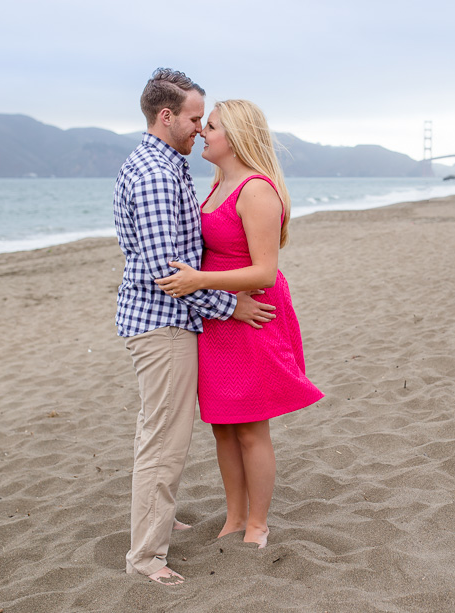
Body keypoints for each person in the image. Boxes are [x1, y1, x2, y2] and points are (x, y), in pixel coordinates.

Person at [113, 69, 276, 586]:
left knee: (156, 433)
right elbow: (169, 272)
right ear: (167, 116)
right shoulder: (161, 174)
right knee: (164, 442)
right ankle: (146, 558)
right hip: (163, 325)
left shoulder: (161, 164)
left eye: (206, 121)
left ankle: (156, 519)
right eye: (193, 118)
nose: (199, 128)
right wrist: (231, 307)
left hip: (163, 322)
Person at [155, 99, 323, 548]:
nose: (201, 133)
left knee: (251, 426)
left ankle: (258, 524)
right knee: (223, 424)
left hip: (252, 313)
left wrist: (198, 281)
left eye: (209, 126)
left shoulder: (256, 190)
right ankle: (233, 517)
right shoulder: (215, 185)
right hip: (220, 315)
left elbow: (265, 271)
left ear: (235, 136)